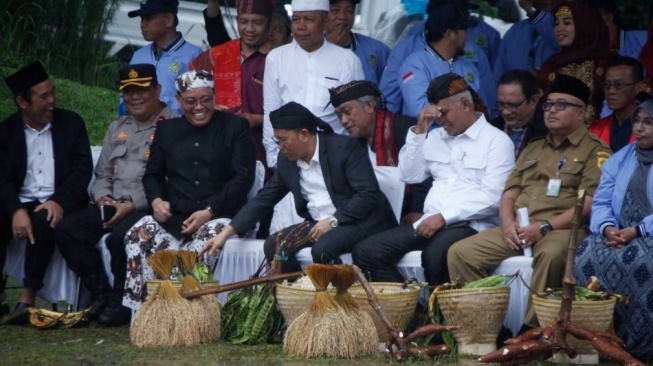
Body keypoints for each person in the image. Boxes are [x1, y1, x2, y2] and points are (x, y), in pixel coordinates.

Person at [448, 74, 612, 333]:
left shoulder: (595, 150)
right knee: (461, 253)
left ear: (581, 113)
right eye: (548, 105)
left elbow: (590, 202)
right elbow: (509, 195)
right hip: (519, 229)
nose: (552, 111)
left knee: (551, 254)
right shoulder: (534, 147)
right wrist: (507, 224)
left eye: (561, 105)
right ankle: (490, 326)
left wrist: (545, 227)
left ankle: (532, 330)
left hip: (562, 230)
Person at [353, 74, 515, 285]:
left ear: (465, 105)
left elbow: (493, 197)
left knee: (435, 254)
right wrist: (419, 132)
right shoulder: (436, 137)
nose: (439, 119)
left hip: (471, 224)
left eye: (443, 112)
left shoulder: (496, 141)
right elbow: (409, 175)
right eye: (435, 113)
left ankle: (440, 314)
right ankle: (412, 311)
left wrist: (444, 217)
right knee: (367, 251)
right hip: (429, 222)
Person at [199, 102, 398, 274]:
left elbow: (367, 194)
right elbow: (264, 199)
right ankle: (296, 293)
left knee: (322, 249)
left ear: (303, 134)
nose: (280, 147)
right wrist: (225, 234)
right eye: (277, 142)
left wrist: (334, 221)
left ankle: (337, 300)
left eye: (283, 141)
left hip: (360, 220)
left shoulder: (345, 148)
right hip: (320, 223)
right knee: (274, 245)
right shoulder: (287, 161)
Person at [54, 64, 177, 326]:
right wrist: (103, 199)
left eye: (141, 90)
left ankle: (122, 302)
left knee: (121, 238)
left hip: (147, 208)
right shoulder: (117, 127)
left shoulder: (174, 127)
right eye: (128, 91)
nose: (134, 97)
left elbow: (168, 180)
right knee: (67, 229)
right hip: (110, 206)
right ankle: (101, 292)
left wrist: (130, 205)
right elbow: (103, 174)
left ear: (157, 90)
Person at [122, 70, 256, 310]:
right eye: (191, 101)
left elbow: (242, 179)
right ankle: (145, 310)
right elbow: (152, 175)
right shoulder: (167, 130)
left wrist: (210, 211)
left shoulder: (235, 127)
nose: (199, 107)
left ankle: (188, 311)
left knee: (208, 240)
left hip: (219, 216)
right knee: (137, 234)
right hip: (175, 217)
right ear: (179, 100)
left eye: (206, 99)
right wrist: (156, 202)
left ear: (214, 96)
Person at [0, 61, 93, 323]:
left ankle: (27, 299)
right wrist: (16, 210)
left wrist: (58, 201)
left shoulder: (71, 124)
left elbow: (81, 172)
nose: (51, 100)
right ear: (22, 102)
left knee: (44, 219)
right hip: (20, 201)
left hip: (59, 199)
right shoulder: (5, 132)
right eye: (43, 97)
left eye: (52, 92)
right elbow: (3, 179)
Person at [574, 95, 653, 362]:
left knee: (642, 260)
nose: (639, 129)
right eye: (637, 121)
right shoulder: (622, 157)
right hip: (618, 234)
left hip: (646, 235)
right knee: (587, 252)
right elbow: (602, 200)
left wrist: (638, 231)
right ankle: (595, 339)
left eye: (649, 123)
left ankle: (641, 344)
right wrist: (607, 228)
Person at [262, 0, 364, 169]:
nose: (301, 26)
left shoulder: (347, 60)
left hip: (334, 158)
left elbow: (356, 117)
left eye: (309, 19)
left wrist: (348, 160)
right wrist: (273, 158)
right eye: (296, 20)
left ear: (325, 22)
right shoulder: (276, 58)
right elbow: (271, 111)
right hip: (289, 157)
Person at [191, 0, 274, 180]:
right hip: (218, 144)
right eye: (243, 22)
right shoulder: (217, 54)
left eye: (257, 22)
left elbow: (290, 109)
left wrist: (255, 119)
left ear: (269, 23)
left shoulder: (278, 58)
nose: (249, 29)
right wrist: (209, 106)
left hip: (262, 147)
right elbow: (190, 89)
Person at [329, 80, 429, 223]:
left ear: (369, 106)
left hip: (414, 214)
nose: (343, 121)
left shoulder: (405, 127)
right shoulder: (351, 145)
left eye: (347, 112)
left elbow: (423, 174)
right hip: (373, 219)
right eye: (339, 116)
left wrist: (417, 209)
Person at [380, 0, 496, 117]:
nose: (468, 34)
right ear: (450, 34)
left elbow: (484, 111)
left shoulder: (470, 66)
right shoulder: (414, 63)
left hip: (469, 135)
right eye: (464, 29)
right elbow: (423, 111)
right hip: (427, 134)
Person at [537, 2, 613, 124]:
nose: (559, 28)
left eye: (567, 23)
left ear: (585, 25)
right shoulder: (551, 65)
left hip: (602, 137)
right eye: (556, 23)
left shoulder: (606, 63)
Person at [123, 0, 202, 115]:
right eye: (142, 19)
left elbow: (201, 98)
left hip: (177, 127)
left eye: (148, 18)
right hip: (140, 127)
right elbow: (125, 92)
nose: (142, 24)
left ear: (169, 20)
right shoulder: (139, 55)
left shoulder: (194, 56)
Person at [325, 0, 390, 86]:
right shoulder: (308, 49)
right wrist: (326, 50)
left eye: (349, 11)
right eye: (335, 10)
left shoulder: (378, 50)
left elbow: (391, 93)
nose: (342, 16)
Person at [493, 0, 560, 83]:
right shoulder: (515, 30)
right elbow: (498, 76)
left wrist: (531, 11)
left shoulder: (570, 30)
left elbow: (554, 36)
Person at [590, 56, 645, 152]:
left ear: (639, 87)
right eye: (607, 85)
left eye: (618, 85)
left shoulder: (649, 128)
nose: (611, 91)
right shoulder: (596, 129)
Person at [491, 69, 546, 158]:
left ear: (533, 101)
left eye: (512, 105)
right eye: (501, 104)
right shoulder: (490, 129)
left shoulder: (549, 134)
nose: (505, 111)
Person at [203, 0, 292, 49]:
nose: (270, 33)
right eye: (244, 22)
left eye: (277, 29)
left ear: (289, 39)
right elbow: (217, 38)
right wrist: (213, 2)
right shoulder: (234, 56)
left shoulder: (293, 66)